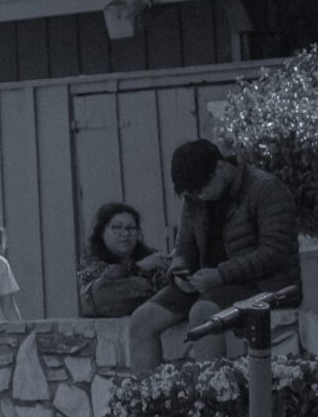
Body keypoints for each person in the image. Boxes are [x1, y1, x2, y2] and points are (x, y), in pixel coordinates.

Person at [129, 138, 303, 376]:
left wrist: (221, 274)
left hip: (263, 283)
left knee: (203, 314)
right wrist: (178, 270)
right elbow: (183, 248)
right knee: (141, 320)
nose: (201, 195)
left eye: (203, 188)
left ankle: (211, 404)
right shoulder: (195, 198)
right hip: (206, 282)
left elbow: (274, 252)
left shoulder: (266, 189)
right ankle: (147, 407)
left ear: (221, 167)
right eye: (193, 192)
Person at [78, 202, 173, 319]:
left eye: (131, 228)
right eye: (117, 227)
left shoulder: (151, 255)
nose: (126, 233)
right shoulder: (90, 258)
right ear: (101, 231)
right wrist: (139, 267)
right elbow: (101, 291)